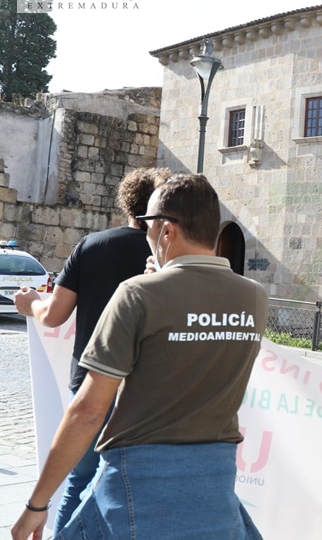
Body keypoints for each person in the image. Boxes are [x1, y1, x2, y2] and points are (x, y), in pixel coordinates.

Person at [12, 174, 269, 540]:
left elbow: (88, 411)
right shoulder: (254, 297)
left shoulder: (137, 295)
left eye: (148, 225)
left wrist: (36, 506)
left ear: (166, 231)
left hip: (140, 481)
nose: (146, 235)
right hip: (214, 476)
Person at [14, 166, 169, 535]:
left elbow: (54, 316)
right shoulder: (167, 259)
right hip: (143, 390)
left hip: (89, 380)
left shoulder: (93, 246)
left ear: (127, 204)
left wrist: (31, 304)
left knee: (80, 480)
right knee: (131, 485)